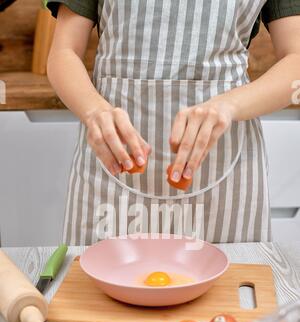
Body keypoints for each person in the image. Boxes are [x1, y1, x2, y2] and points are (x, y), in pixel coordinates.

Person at [47, 0, 300, 244]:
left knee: (230, 282)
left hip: (224, 169)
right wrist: (94, 111)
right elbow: (63, 51)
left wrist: (229, 105)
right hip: (110, 165)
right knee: (91, 283)